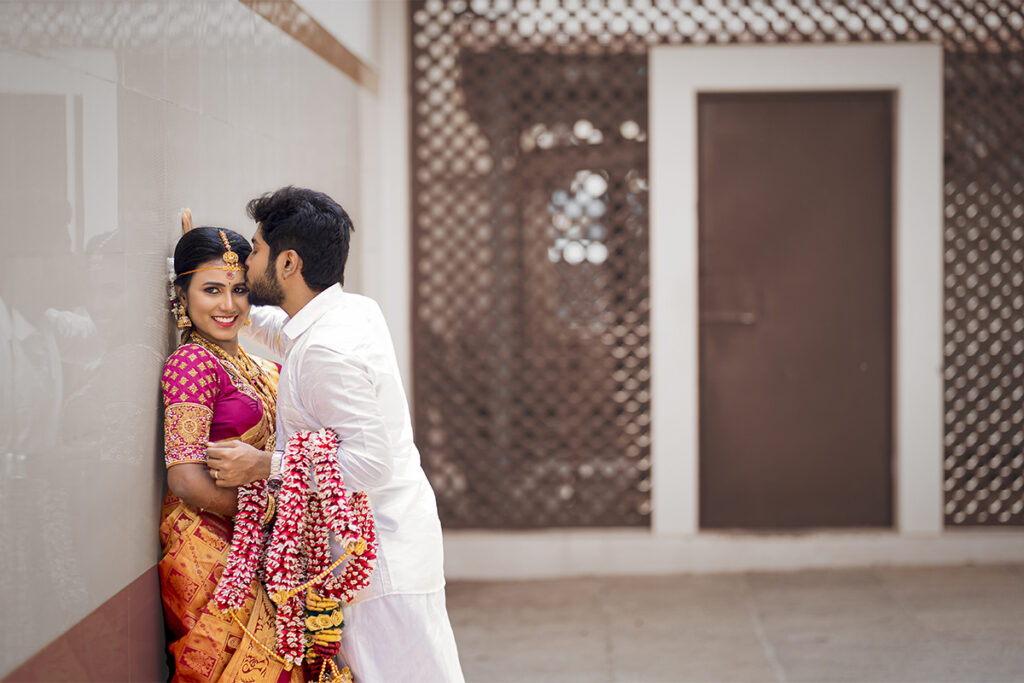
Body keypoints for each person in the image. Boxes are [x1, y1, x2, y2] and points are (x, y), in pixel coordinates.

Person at [206, 187, 464, 682]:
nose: (244, 264)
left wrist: (266, 466)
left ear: (287, 264)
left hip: (378, 559)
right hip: (390, 543)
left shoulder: (327, 351)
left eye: (254, 251)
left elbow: (370, 463)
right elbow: (281, 331)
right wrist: (215, 289)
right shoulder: (348, 313)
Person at [160, 222, 303, 683]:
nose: (227, 305)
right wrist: (272, 515)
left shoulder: (263, 365)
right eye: (210, 289)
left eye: (239, 289)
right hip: (211, 553)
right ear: (181, 295)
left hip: (267, 549)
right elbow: (184, 480)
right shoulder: (190, 364)